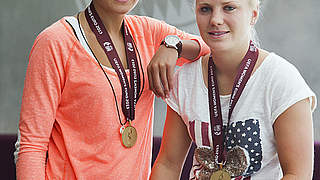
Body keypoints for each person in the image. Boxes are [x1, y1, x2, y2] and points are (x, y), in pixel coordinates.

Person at [14, 0, 210, 179]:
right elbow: (31, 145)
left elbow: (212, 49)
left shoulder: (149, 32)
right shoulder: (55, 42)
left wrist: (173, 45)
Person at [150, 0, 317, 179]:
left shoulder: (281, 79)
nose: (215, 19)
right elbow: (168, 165)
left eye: (229, 8)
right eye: (205, 9)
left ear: (253, 14)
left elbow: (297, 174)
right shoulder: (184, 79)